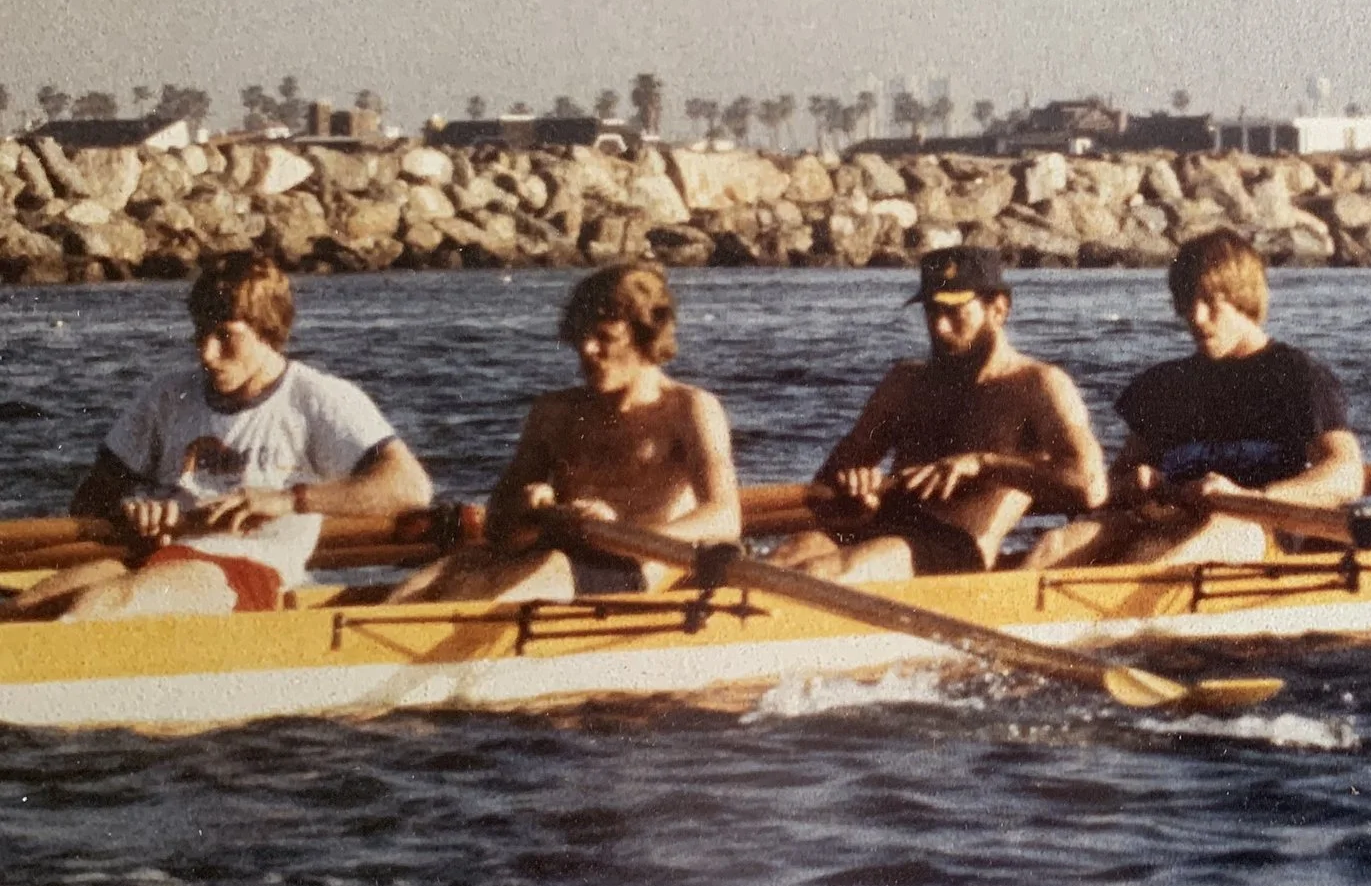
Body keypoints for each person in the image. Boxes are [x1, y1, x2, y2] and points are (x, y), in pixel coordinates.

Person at [6, 250, 433, 620]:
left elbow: (410, 488)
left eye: (225, 336)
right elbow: (90, 498)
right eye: (201, 334)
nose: (206, 353)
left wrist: (288, 500)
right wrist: (133, 510)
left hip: (248, 569)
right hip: (153, 557)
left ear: (268, 330)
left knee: (95, 611)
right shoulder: (165, 397)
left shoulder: (319, 399)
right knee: (20, 611)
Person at [390, 262, 738, 602]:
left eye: (605, 337)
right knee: (420, 585)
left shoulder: (689, 409)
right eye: (582, 336)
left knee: (520, 580)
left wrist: (624, 537)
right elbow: (498, 526)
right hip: (555, 552)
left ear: (646, 336)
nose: (587, 350)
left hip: (638, 563)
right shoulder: (553, 412)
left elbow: (723, 517)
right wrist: (528, 510)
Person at [1022, 228, 1363, 569]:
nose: (1196, 317)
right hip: (1165, 520)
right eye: (1187, 302)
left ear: (1243, 298)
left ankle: (1124, 605)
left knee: (1222, 531)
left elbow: (1347, 475)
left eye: (1211, 302)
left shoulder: (1297, 376)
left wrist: (1253, 497)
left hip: (1258, 530)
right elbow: (1112, 485)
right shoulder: (1165, 384)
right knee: (1057, 543)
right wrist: (1133, 484)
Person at [773, 247, 1107, 580]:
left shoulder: (1039, 386)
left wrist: (982, 465)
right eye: (931, 312)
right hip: (881, 524)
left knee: (822, 572)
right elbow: (830, 477)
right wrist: (855, 486)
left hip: (957, 548)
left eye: (954, 312)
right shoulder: (905, 382)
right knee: (785, 557)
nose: (940, 327)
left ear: (999, 309)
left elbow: (1090, 487)